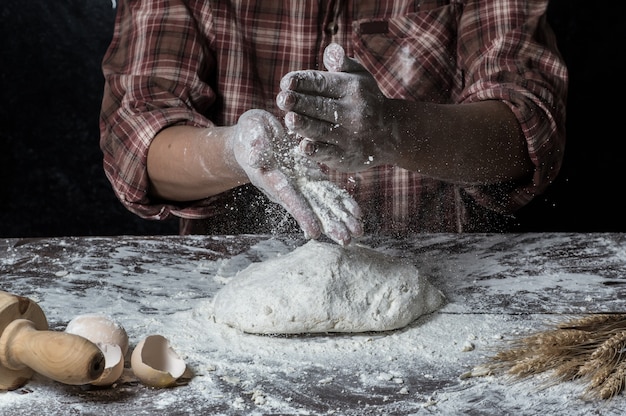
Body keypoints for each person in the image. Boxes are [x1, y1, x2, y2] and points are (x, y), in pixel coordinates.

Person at [99, 0, 567, 245]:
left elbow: (530, 133)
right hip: (234, 278)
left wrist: (393, 129)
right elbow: (134, 140)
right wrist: (233, 150)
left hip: (443, 278)